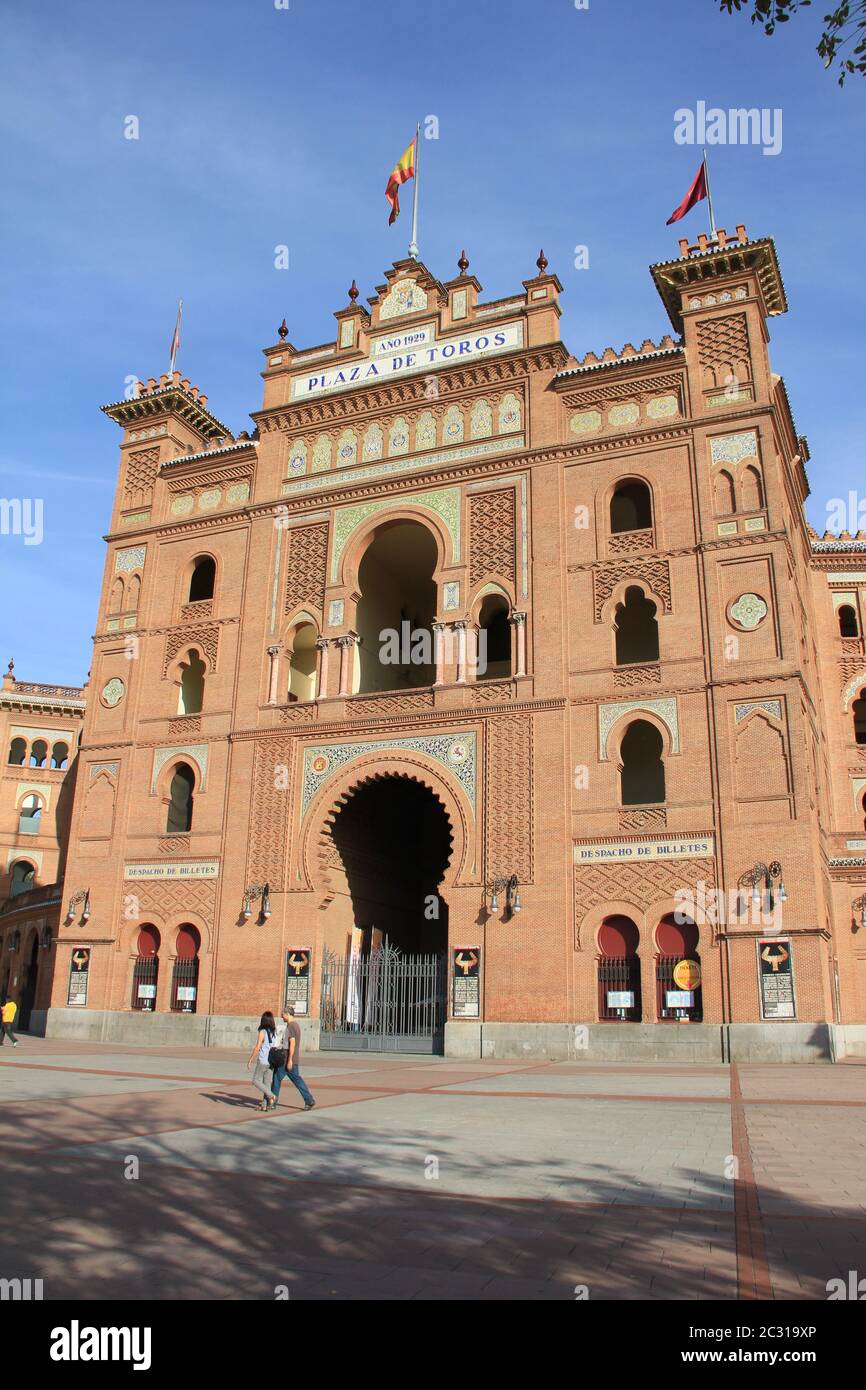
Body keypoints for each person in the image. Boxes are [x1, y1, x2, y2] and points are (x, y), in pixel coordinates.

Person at [270, 1005, 315, 1111]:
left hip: (287, 1060)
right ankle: (309, 1100)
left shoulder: (291, 1026)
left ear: (287, 1014)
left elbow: (292, 1043)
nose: (282, 1016)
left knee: (277, 1079)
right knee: (295, 1080)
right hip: (291, 1059)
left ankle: (272, 1101)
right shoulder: (296, 1025)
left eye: (283, 1014)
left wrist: (289, 1060)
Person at [246, 1011, 277, 1112]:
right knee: (266, 1083)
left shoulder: (263, 1031)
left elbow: (258, 1046)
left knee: (255, 1080)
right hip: (271, 1061)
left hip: (263, 1060)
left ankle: (272, 1095)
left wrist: (251, 1059)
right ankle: (264, 1105)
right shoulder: (274, 1031)